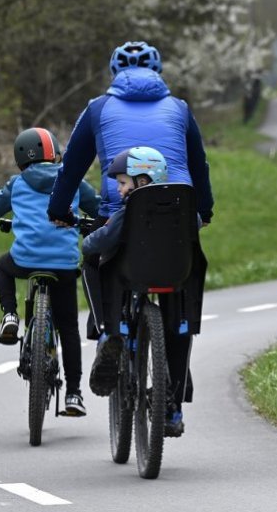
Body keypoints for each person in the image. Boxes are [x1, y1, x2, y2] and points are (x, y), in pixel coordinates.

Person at [47, 41, 213, 433]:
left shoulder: (99, 108)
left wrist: (58, 211)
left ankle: (109, 332)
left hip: (120, 212)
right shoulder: (180, 109)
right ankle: (173, 402)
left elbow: (71, 167)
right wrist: (204, 210)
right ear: (159, 73)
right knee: (183, 288)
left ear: (114, 75)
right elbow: (199, 165)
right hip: (179, 216)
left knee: (95, 257)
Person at [0, 127, 99, 417]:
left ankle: (10, 315)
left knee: (2, 267)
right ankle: (74, 394)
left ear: (20, 160)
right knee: (68, 327)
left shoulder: (17, 184)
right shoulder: (74, 181)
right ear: (55, 154)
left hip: (26, 260)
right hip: (64, 264)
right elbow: (97, 206)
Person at [82, 146, 195, 437]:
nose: (119, 190)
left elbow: (95, 245)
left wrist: (92, 234)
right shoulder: (183, 209)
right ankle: (172, 403)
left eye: (122, 183)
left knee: (91, 264)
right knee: (177, 333)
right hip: (175, 280)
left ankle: (107, 330)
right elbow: (195, 225)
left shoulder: (127, 212)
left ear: (142, 182)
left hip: (132, 277)